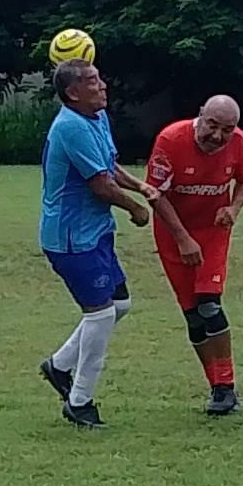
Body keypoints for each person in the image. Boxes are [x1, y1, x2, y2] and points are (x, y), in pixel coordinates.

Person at [37, 58, 159, 428]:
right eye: (92, 81)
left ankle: (59, 366)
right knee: (101, 313)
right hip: (70, 238)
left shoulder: (97, 117)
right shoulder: (70, 126)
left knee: (119, 304)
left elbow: (109, 166)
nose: (102, 85)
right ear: (72, 93)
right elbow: (100, 185)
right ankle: (80, 402)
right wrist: (137, 209)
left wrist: (139, 184)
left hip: (95, 232)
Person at [146, 95, 243, 415]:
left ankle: (226, 388)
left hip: (212, 232)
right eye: (212, 125)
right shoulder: (170, 140)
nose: (218, 136)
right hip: (173, 233)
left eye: (227, 129)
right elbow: (156, 194)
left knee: (209, 305)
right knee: (193, 315)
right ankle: (215, 385)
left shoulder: (238, 142)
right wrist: (182, 238)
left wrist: (233, 208)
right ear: (200, 116)